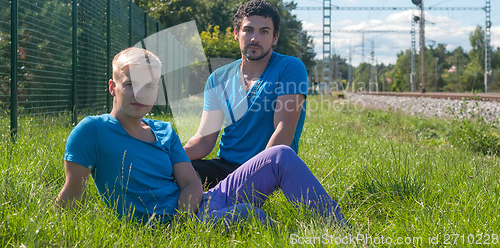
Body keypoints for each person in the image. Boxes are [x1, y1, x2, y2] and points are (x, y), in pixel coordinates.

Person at [55, 47, 347, 226]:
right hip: (174, 220)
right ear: (112, 87)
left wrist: (188, 217)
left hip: (200, 206)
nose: (140, 94)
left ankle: (338, 229)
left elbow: (191, 182)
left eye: (149, 86)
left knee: (281, 156)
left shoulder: (163, 130)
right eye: (130, 84)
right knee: (247, 215)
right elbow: (71, 198)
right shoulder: (92, 131)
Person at [184, 0, 309, 188]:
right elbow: (204, 140)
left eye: (264, 32)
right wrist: (169, 159)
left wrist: (253, 177)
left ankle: (218, 202)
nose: (255, 38)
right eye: (248, 30)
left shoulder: (290, 68)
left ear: (275, 38)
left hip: (269, 168)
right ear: (236, 33)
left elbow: (283, 132)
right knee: (178, 175)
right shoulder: (218, 78)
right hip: (225, 167)